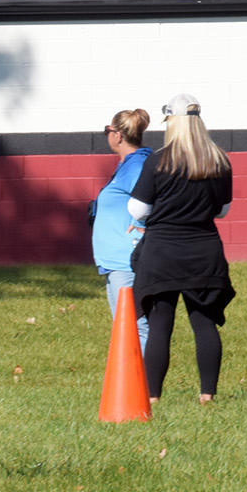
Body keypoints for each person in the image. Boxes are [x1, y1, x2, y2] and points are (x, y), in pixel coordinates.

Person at [128, 94, 235, 403]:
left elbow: (137, 209)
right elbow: (223, 211)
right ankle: (207, 395)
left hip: (162, 252)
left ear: (171, 123)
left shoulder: (158, 160)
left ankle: (153, 397)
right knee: (204, 322)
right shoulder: (218, 160)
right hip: (204, 251)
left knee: (160, 325)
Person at [92, 108, 153, 352]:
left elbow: (152, 200)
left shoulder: (137, 165)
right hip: (115, 261)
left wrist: (141, 226)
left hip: (127, 261)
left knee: (136, 326)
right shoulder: (128, 165)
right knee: (125, 327)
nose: (107, 135)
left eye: (108, 130)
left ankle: (146, 387)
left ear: (117, 135)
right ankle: (132, 386)